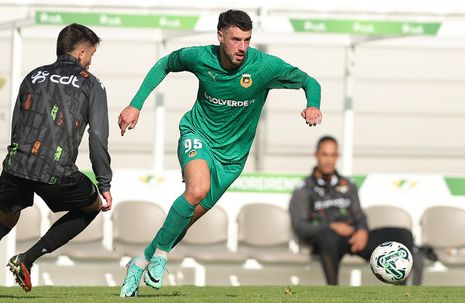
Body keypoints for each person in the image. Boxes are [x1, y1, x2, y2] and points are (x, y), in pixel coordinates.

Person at [117, 9, 322, 297]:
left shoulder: (263, 67)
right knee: (197, 189)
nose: (242, 47)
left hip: (231, 160)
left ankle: (139, 263)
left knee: (184, 220)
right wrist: (135, 104)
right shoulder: (200, 57)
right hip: (197, 135)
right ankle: (161, 256)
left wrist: (313, 103)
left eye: (247, 40)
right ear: (220, 36)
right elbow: (164, 64)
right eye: (236, 39)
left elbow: (310, 81)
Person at [0, 23, 112, 299]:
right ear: (82, 53)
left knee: (1, 221)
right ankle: (28, 258)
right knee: (92, 206)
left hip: (17, 164)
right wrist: (104, 182)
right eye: (92, 56)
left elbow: (17, 123)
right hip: (56, 171)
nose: (91, 62)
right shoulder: (91, 83)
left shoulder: (33, 76)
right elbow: (97, 136)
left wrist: (18, 158)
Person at [289, 135, 414, 285]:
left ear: (337, 156)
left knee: (402, 234)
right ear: (316, 155)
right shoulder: (304, 189)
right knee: (328, 237)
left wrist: (362, 231)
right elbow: (300, 226)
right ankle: (333, 292)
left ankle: (401, 292)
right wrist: (330, 226)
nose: (329, 160)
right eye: (325, 155)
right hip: (326, 241)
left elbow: (360, 216)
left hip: (354, 238)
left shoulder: (347, 185)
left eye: (333, 155)